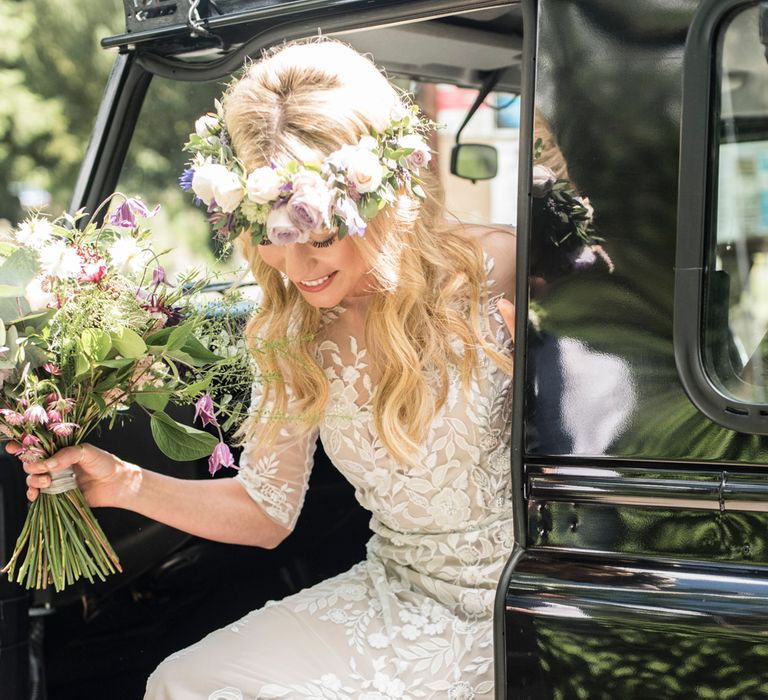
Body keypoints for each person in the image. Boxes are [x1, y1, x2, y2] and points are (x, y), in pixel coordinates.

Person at [14, 38, 517, 699]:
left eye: (320, 240)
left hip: (513, 603)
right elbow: (265, 511)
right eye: (276, 241)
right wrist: (124, 483)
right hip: (394, 589)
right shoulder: (287, 334)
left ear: (382, 202)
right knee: (182, 682)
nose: (300, 270)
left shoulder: (491, 267)